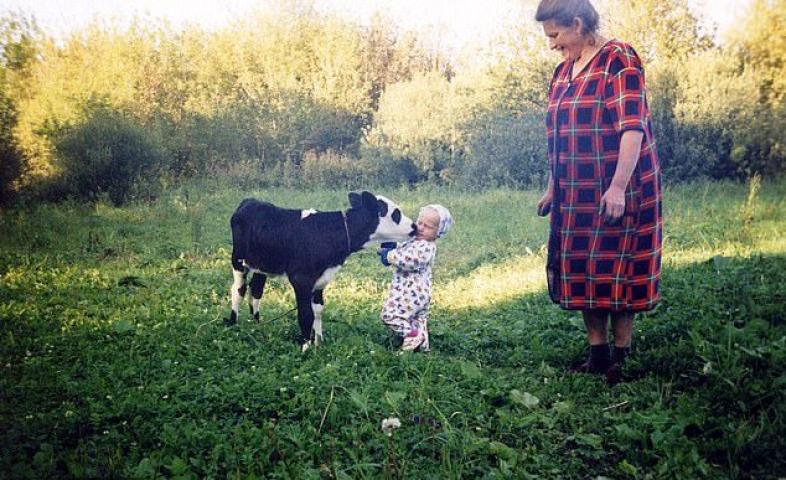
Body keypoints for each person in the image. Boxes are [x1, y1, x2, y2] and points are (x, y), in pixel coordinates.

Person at [534, 0, 663, 384]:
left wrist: (619, 186)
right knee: (584, 270)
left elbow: (632, 126)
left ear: (577, 23)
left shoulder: (618, 59)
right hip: (576, 192)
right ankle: (597, 353)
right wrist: (552, 187)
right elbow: (560, 136)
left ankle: (622, 355)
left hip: (617, 187)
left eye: (555, 35)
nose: (552, 45)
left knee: (619, 269)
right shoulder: (562, 73)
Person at [378, 204, 453, 352]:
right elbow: (404, 247)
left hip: (411, 292)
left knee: (390, 315)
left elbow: (410, 260)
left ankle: (413, 335)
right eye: (419, 222)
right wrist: (392, 244)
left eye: (428, 226)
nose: (421, 228)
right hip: (417, 292)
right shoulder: (416, 240)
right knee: (417, 320)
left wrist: (389, 256)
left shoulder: (426, 246)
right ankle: (422, 347)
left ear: (438, 233)